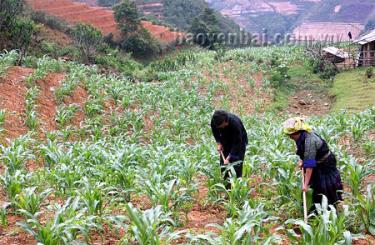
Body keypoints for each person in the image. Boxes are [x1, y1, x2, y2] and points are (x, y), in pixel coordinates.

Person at [283, 117, 343, 211]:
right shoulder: (302, 137)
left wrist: (305, 185)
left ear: (297, 132)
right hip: (317, 161)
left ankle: (328, 210)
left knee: (324, 188)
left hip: (325, 164)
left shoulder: (309, 141)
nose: (290, 137)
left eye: (291, 135)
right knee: (315, 185)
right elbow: (306, 154)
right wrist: (303, 160)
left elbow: (310, 166)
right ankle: (315, 208)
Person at [211, 110, 248, 183]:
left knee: (236, 164)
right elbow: (215, 132)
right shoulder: (215, 121)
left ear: (225, 120)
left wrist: (229, 157)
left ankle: (237, 187)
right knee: (224, 166)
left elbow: (238, 142)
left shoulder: (235, 123)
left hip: (239, 141)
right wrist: (219, 142)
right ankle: (227, 187)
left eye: (224, 124)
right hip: (226, 139)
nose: (225, 125)